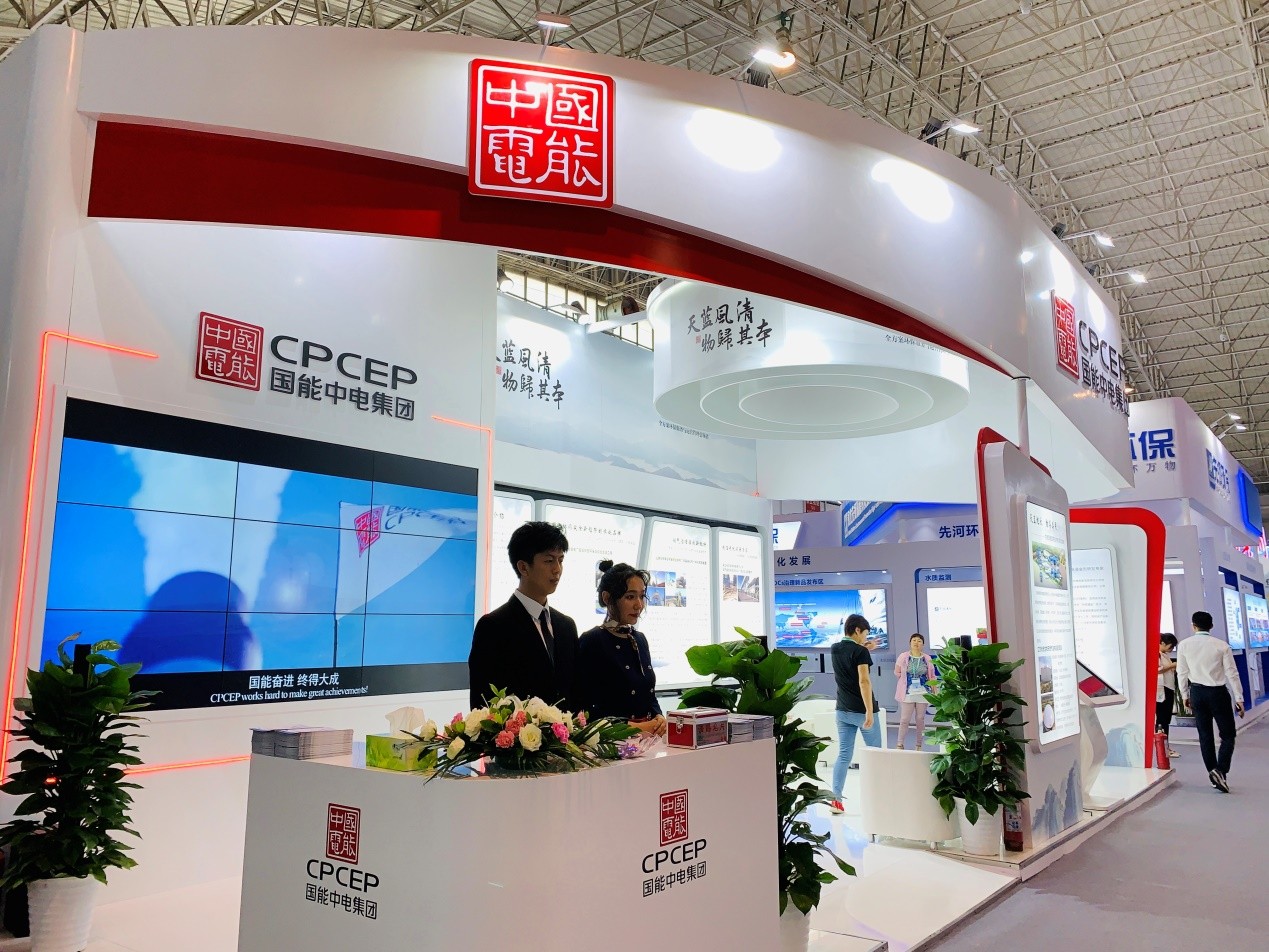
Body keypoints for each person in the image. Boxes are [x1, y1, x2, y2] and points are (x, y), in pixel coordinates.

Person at [468, 521, 578, 711]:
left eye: (560, 560)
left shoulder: (566, 626)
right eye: (549, 560)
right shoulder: (493, 627)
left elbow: (575, 693)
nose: (557, 569)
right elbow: (483, 704)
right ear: (523, 567)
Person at [575, 561, 666, 735]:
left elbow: (648, 693)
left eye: (642, 596)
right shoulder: (592, 640)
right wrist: (633, 728)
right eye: (630, 597)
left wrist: (658, 716)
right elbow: (586, 707)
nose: (639, 605)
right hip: (613, 741)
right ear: (607, 598)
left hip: (649, 738)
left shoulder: (639, 639)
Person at [1177, 610, 1244, 793]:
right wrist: (1239, 698)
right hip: (1218, 693)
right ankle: (1220, 770)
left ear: (1193, 626)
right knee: (1228, 734)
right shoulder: (1221, 646)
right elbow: (1232, 673)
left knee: (1205, 735)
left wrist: (1185, 695)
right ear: (1211, 626)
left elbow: (1182, 672)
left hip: (1197, 692)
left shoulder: (1184, 645)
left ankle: (1214, 774)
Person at [828, 613, 882, 814]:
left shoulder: (835, 648)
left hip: (842, 710)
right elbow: (864, 681)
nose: (865, 638)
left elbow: (851, 652)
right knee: (876, 755)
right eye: (865, 634)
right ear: (858, 630)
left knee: (844, 756)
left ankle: (836, 801)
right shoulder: (860, 652)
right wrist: (869, 712)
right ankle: (878, 801)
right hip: (862, 711)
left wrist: (865, 647)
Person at [893, 633, 936, 750]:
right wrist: (905, 680)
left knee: (920, 719)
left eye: (919, 641)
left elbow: (932, 676)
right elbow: (897, 672)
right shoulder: (903, 656)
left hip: (923, 693)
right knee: (904, 719)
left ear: (923, 644)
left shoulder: (927, 658)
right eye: (914, 640)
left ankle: (919, 745)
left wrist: (934, 691)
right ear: (910, 643)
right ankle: (899, 744)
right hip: (907, 693)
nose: (916, 642)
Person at [1156, 633, 1179, 759]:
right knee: (1162, 719)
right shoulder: (1157, 654)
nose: (1171, 649)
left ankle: (1165, 747)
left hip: (1168, 689)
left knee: (1165, 720)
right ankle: (1163, 748)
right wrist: (1172, 665)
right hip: (1162, 691)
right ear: (1163, 643)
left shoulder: (1164, 655)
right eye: (1171, 646)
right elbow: (1157, 669)